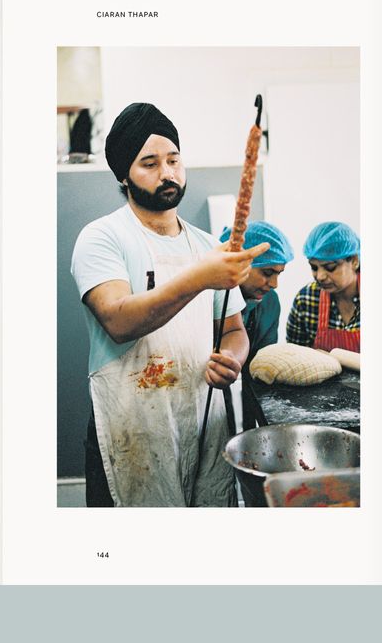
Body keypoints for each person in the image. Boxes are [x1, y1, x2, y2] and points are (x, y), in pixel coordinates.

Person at [70, 102, 271, 507]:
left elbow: (233, 330)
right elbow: (118, 320)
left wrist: (232, 358)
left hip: (202, 417)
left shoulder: (205, 244)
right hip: (132, 427)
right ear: (123, 175)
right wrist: (199, 276)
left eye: (173, 160)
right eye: (149, 163)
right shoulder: (102, 238)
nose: (167, 173)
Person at [219, 221, 294, 365]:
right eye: (267, 273)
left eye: (279, 274)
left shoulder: (269, 302)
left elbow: (262, 367)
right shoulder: (207, 298)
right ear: (237, 263)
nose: (274, 284)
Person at [286, 221, 360, 353]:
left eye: (330, 267)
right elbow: (295, 357)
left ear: (354, 261)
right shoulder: (306, 299)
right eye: (314, 267)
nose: (320, 276)